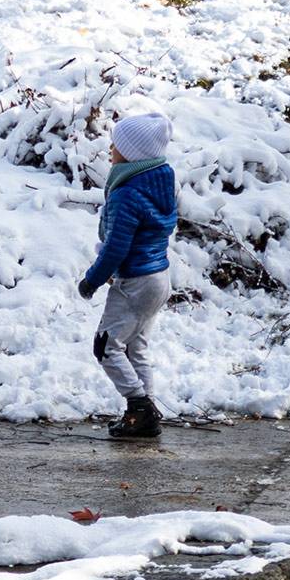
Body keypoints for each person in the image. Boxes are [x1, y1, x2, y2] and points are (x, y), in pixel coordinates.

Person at [77, 112, 177, 438]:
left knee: (106, 346)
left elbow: (116, 247)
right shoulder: (160, 182)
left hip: (136, 282)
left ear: (133, 153)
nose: (110, 148)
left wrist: (92, 279)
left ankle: (140, 407)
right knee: (135, 348)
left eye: (116, 144)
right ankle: (143, 417)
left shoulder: (127, 193)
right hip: (158, 277)